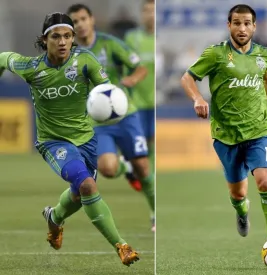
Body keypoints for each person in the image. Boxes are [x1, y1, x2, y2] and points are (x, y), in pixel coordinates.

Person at [0, 12, 139, 266]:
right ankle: (122, 245)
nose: (62, 42)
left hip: (87, 139)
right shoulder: (31, 67)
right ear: (45, 40)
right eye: (56, 37)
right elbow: (3, 58)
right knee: (87, 185)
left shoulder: (85, 60)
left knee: (78, 193)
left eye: (67, 36)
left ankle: (54, 217)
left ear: (73, 38)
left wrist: (111, 100)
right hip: (53, 142)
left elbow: (104, 90)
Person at [180, 4, 267, 239]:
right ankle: (241, 211)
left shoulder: (264, 54)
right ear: (229, 25)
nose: (242, 28)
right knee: (239, 193)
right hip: (226, 135)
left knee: (264, 181)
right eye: (237, 23)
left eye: (247, 23)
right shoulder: (215, 54)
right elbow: (187, 78)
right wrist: (197, 97)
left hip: (259, 130)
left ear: (254, 26)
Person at [67, 4, 155, 232]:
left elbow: (140, 68)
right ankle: (124, 167)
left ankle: (155, 212)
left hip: (126, 113)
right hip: (97, 121)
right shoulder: (71, 54)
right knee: (106, 169)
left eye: (83, 19)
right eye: (75, 21)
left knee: (144, 167)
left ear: (92, 20)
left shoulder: (110, 43)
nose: (80, 24)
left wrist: (131, 81)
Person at [124, 0, 156, 178]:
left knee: (152, 138)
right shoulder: (132, 38)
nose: (150, 14)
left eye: (153, 11)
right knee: (140, 140)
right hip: (137, 98)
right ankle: (133, 168)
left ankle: (145, 173)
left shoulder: (161, 39)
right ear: (141, 14)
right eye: (147, 11)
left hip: (156, 99)